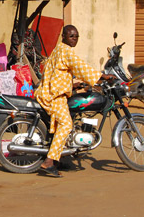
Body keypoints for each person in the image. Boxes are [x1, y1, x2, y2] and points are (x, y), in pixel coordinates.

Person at [34, 25, 113, 178]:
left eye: (76, 36)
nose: (74, 39)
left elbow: (62, 72)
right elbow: (80, 67)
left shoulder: (59, 49)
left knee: (68, 121)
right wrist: (102, 76)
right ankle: (49, 162)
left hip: (54, 91)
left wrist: (75, 83)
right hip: (55, 96)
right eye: (71, 36)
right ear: (63, 36)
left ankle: (60, 157)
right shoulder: (66, 51)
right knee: (66, 124)